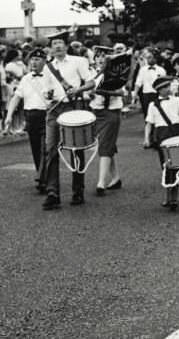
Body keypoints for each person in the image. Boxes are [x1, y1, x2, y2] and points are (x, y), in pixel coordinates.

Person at [41, 35, 96, 209]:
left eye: (60, 43)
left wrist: (78, 89)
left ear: (66, 46)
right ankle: (52, 192)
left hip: (73, 106)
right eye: (53, 44)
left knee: (75, 148)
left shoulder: (78, 61)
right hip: (54, 109)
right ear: (50, 48)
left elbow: (92, 82)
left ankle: (78, 190)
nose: (57, 46)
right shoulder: (48, 67)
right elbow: (45, 89)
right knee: (50, 149)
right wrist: (47, 95)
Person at [5, 49, 64, 193]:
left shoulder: (51, 77)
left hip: (47, 115)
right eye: (32, 59)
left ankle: (42, 178)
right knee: (36, 149)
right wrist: (9, 115)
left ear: (45, 61)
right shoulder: (26, 79)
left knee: (46, 148)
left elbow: (60, 96)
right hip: (30, 116)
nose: (33, 62)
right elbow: (16, 97)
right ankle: (43, 176)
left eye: (37, 60)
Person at [144, 75, 179, 210]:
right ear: (159, 90)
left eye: (168, 86)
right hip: (162, 135)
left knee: (177, 165)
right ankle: (168, 195)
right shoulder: (153, 105)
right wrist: (146, 138)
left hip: (176, 132)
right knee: (166, 166)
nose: (168, 89)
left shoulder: (178, 100)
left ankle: (174, 197)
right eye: (165, 88)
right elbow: (149, 123)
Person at [90, 48, 126, 196]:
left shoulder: (116, 73)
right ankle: (116, 178)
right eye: (98, 56)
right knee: (107, 144)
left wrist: (104, 91)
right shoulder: (92, 73)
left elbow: (121, 92)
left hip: (111, 111)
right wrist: (89, 94)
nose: (100, 59)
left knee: (105, 145)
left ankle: (101, 182)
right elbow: (88, 91)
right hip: (96, 112)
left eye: (104, 56)